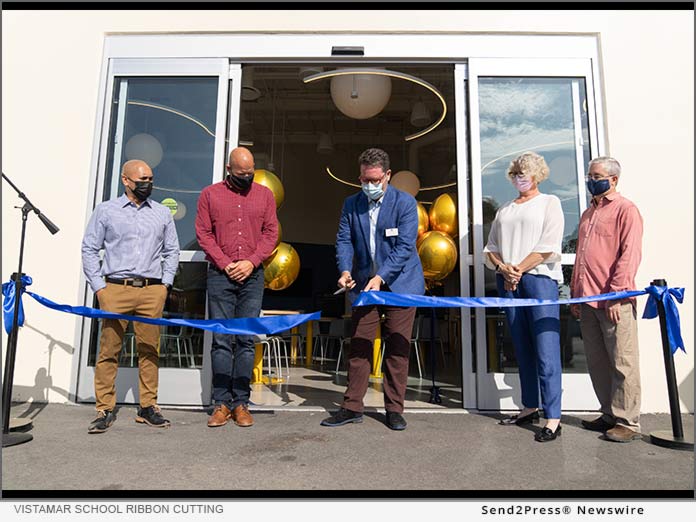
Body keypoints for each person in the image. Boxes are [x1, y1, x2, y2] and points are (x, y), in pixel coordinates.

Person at [321, 148, 424, 431]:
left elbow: (404, 247)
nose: (370, 185)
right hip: (364, 285)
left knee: (398, 347)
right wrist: (344, 270)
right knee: (360, 345)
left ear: (388, 175)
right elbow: (343, 240)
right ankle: (352, 406)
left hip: (401, 283)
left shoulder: (404, 204)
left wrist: (381, 277)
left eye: (376, 180)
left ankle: (394, 409)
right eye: (365, 180)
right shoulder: (351, 204)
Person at [82, 159, 180, 434]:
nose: (148, 184)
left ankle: (148, 407)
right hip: (114, 288)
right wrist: (99, 287)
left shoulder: (161, 213)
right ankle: (104, 408)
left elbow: (171, 251)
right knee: (109, 351)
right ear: (126, 180)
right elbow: (89, 248)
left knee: (150, 350)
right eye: (142, 180)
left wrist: (166, 285)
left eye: (150, 179)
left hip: (152, 290)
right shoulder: (106, 211)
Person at [483, 151, 564, 443]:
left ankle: (553, 416)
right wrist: (503, 267)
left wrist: (518, 268)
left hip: (539, 280)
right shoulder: (505, 209)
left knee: (546, 349)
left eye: (526, 173)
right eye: (516, 173)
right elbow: (489, 248)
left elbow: (549, 246)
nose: (520, 178)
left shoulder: (549, 203)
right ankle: (530, 406)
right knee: (521, 347)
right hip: (509, 281)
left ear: (537, 175)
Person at [195, 147, 278, 429]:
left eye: (251, 172)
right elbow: (203, 233)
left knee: (244, 340)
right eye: (242, 173)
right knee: (220, 340)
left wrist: (251, 262)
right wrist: (225, 262)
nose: (247, 177)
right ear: (229, 170)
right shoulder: (210, 195)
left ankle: (241, 403)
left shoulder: (264, 195)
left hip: (253, 276)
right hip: (220, 275)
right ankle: (221, 403)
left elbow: (271, 233)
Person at [571, 156, 643, 443]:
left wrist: (617, 295)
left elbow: (629, 255)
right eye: (590, 175)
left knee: (622, 361)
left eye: (597, 175)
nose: (591, 179)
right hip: (587, 300)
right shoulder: (588, 214)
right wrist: (576, 296)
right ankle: (609, 414)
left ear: (613, 179)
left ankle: (628, 421)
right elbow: (581, 259)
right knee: (598, 361)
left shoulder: (627, 210)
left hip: (615, 301)